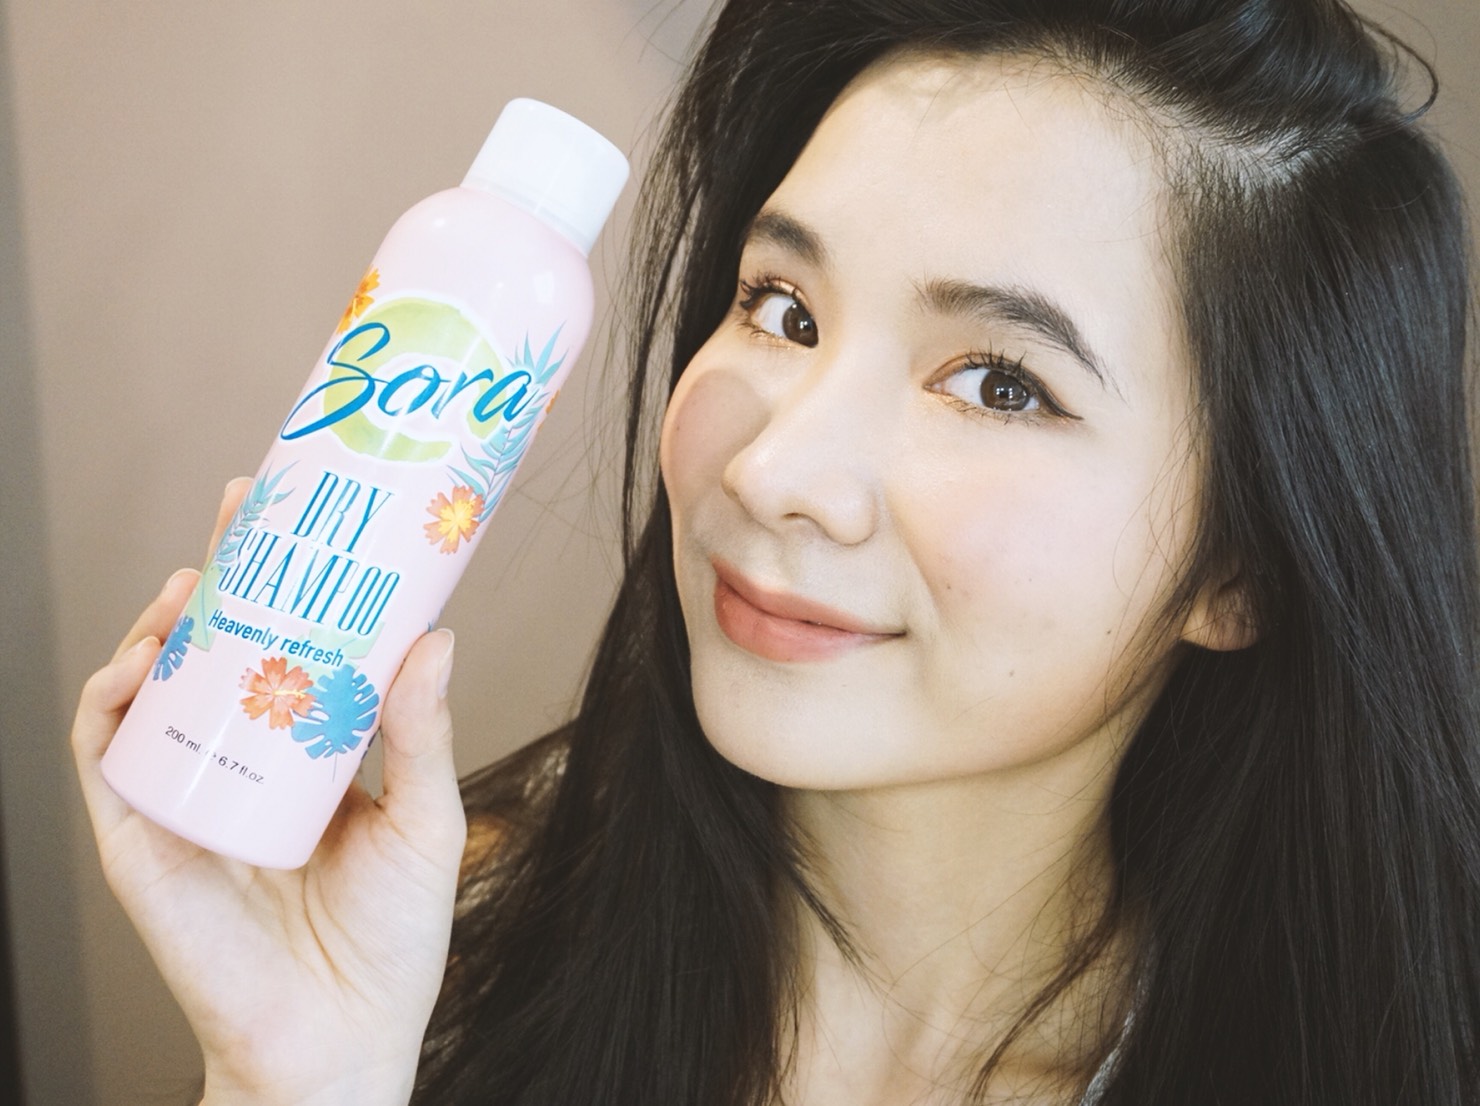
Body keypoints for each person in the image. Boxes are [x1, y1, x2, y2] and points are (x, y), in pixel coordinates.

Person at [72, 0, 1480, 1103]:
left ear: (1242, 564)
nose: (769, 469)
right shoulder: (453, 940)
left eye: (999, 383)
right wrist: (301, 1078)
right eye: (782, 308)